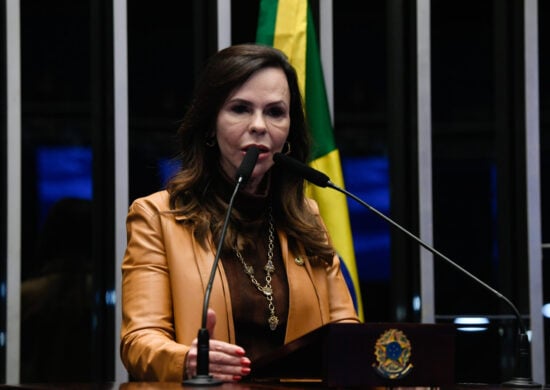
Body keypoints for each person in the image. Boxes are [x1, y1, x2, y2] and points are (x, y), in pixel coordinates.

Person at [120, 43, 360, 382]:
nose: (259, 125)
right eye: (240, 109)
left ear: (289, 131)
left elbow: (345, 333)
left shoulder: (307, 217)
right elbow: (138, 341)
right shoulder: (156, 217)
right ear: (210, 125)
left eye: (275, 112)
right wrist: (187, 360)